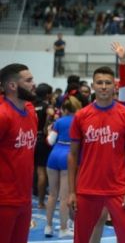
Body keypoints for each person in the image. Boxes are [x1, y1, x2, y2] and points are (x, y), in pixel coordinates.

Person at [67, 66, 125, 243]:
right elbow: (73, 156)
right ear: (93, 86)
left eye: (108, 82)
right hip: (86, 189)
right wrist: (71, 192)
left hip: (118, 189)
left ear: (115, 86)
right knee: (81, 239)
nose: (104, 86)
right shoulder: (81, 116)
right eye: (99, 82)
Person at [0, 63, 38, 243]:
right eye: (29, 80)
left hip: (25, 199)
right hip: (4, 200)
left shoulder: (31, 111)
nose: (34, 83)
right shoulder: (2, 115)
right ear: (12, 86)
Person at [45, 94, 80, 238]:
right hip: (68, 157)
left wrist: (48, 131)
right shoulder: (79, 121)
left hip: (54, 156)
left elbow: (50, 142)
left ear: (64, 109)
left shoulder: (58, 122)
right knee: (64, 197)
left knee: (52, 194)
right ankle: (63, 229)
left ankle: (48, 226)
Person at [34, 83, 54, 210]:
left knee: (31, 171)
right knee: (42, 172)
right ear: (48, 94)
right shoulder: (48, 108)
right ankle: (41, 202)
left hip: (30, 138)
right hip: (42, 140)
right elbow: (47, 129)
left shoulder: (31, 105)